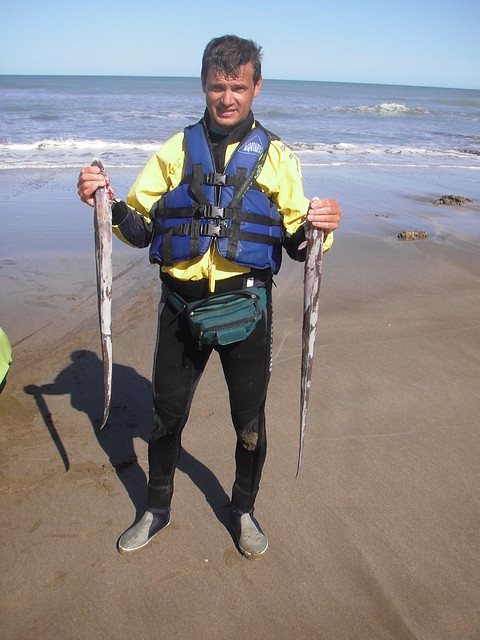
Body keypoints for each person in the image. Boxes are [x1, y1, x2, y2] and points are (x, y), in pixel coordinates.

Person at [77, 35, 342, 559]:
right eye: (218, 86)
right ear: (204, 84)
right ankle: (156, 508)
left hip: (248, 313)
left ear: (256, 87)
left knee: (249, 422)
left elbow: (296, 243)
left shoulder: (278, 157)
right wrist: (102, 201)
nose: (227, 98)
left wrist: (321, 226)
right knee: (164, 417)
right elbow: (140, 228)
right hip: (180, 308)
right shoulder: (174, 151)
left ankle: (242, 509)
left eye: (238, 87)